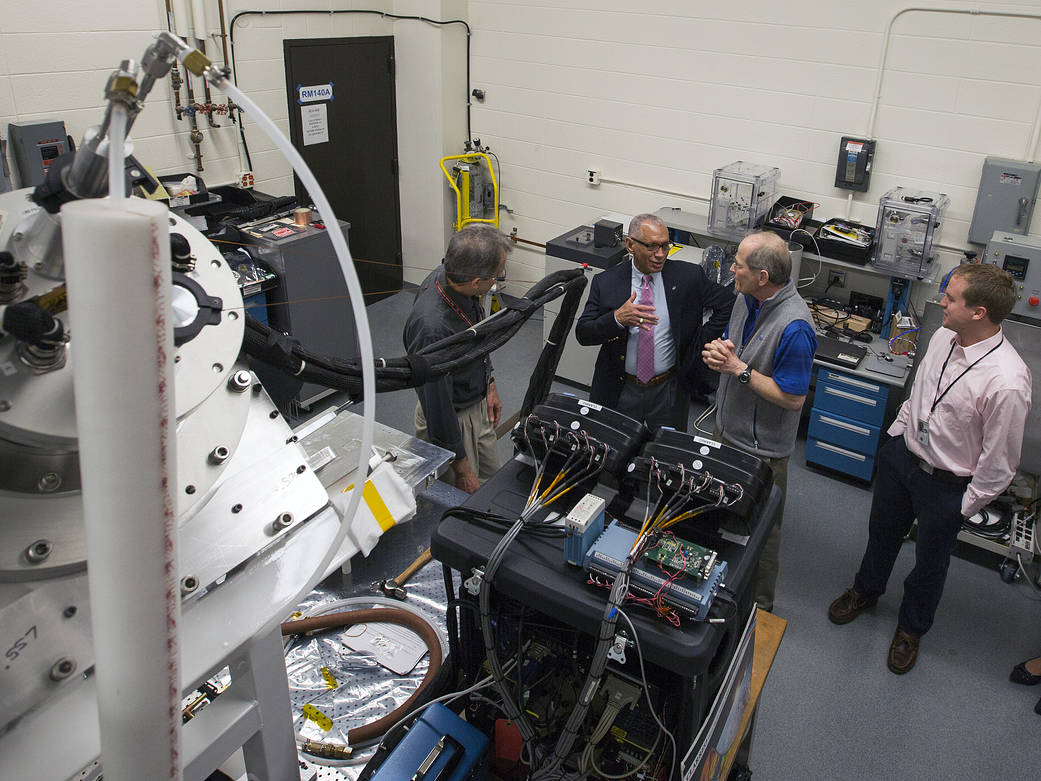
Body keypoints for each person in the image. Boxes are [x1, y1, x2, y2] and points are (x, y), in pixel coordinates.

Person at [828, 263, 1032, 674]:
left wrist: (961, 507)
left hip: (947, 486)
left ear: (979, 313)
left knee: (931, 563)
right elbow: (921, 392)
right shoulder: (942, 335)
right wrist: (896, 436)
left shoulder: (1007, 381)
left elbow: (1000, 463)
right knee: (881, 534)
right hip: (902, 460)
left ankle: (911, 628)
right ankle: (865, 591)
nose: (941, 303)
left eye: (951, 298)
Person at [702, 231, 817, 613]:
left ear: (763, 276)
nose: (732, 268)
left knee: (761, 534)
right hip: (726, 429)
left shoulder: (795, 327)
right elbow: (734, 345)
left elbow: (793, 397)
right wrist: (721, 352)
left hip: (761, 451)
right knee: (716, 514)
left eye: (738, 263)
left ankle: (760, 610)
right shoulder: (744, 296)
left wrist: (739, 370)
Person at [575, 213, 734, 430]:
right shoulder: (606, 283)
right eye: (651, 247)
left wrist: (701, 342)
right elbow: (583, 333)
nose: (660, 254)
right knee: (614, 449)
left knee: (666, 452)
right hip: (621, 388)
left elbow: (727, 303)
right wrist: (617, 318)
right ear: (630, 245)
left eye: (665, 246)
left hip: (669, 389)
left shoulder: (688, 277)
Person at [403, 225, 511, 493]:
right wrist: (460, 468)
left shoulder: (456, 279)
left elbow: (477, 339)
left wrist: (490, 383)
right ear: (476, 282)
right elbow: (437, 405)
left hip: (477, 402)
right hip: (452, 421)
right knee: (461, 498)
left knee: (490, 483)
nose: (497, 281)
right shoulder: (432, 328)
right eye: (496, 277)